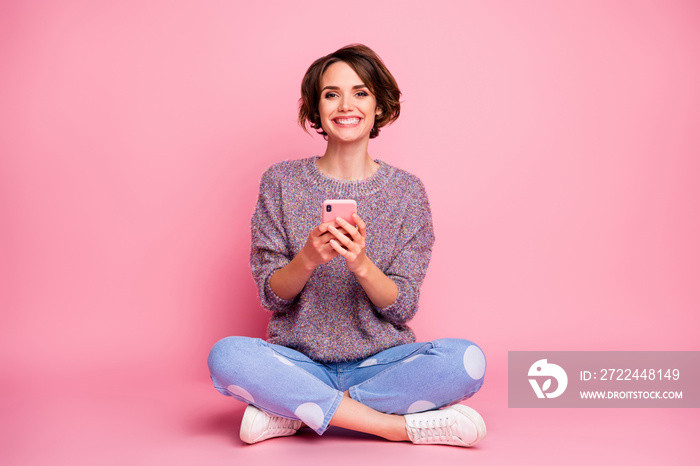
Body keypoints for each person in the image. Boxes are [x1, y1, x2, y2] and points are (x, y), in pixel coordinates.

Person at [207, 44, 487, 447]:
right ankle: (392, 427)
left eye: (360, 92)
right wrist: (306, 259)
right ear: (315, 109)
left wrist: (361, 264)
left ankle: (296, 413)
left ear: (379, 107)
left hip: (382, 364)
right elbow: (273, 296)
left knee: (467, 360)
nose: (345, 105)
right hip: (299, 363)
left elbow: (403, 304)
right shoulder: (281, 182)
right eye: (330, 93)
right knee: (227, 356)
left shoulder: (407, 192)